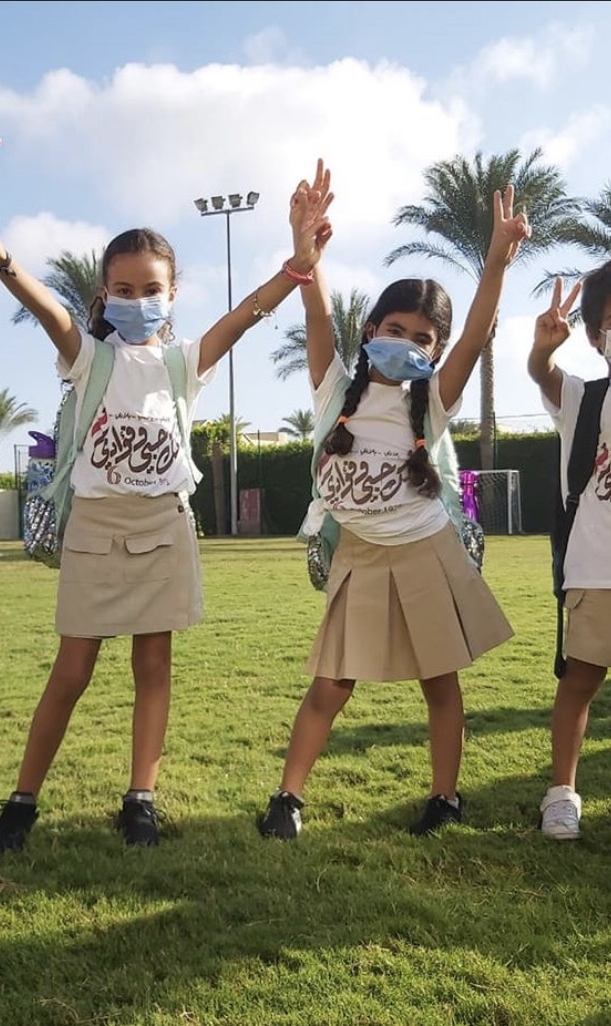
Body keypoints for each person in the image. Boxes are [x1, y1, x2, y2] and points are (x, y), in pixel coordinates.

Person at [0, 164, 334, 851]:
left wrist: (298, 264)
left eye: (152, 290)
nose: (138, 301)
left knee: (154, 668)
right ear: (105, 293)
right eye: (124, 290)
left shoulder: (183, 363)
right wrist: (2, 257)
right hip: (95, 529)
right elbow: (48, 310)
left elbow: (245, 317)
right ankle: (21, 801)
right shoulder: (89, 357)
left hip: (163, 526)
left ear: (172, 294)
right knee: (71, 672)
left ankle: (141, 801)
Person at [258, 166, 531, 840]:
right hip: (358, 555)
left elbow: (476, 334)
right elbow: (316, 313)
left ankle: (445, 798)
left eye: (421, 339)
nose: (405, 343)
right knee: (331, 684)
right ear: (371, 328)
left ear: (435, 352)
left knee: (440, 682)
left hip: (425, 551)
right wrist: (305, 254)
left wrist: (496, 261)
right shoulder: (333, 391)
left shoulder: (432, 401)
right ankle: (287, 799)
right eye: (394, 328)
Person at [528, 268, 611, 840]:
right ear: (596, 335)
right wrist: (542, 350)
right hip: (595, 568)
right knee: (580, 679)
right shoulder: (586, 399)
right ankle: (562, 794)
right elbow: (544, 374)